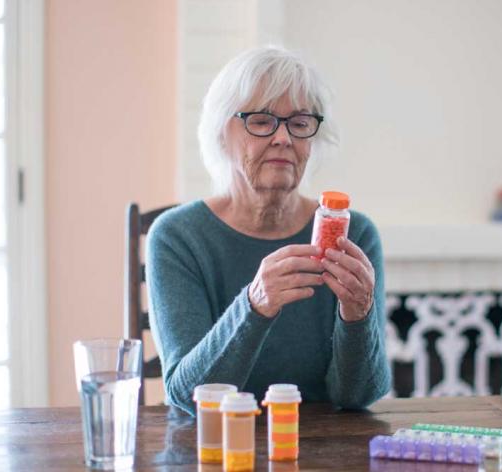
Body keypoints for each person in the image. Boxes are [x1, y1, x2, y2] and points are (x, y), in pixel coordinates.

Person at [147, 46, 391, 415]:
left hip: (326, 451)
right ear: (220, 132)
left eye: (299, 123)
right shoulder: (177, 237)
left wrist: (358, 314)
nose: (283, 138)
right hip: (217, 448)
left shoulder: (354, 233)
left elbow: (357, 398)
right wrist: (254, 304)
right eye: (261, 121)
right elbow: (187, 396)